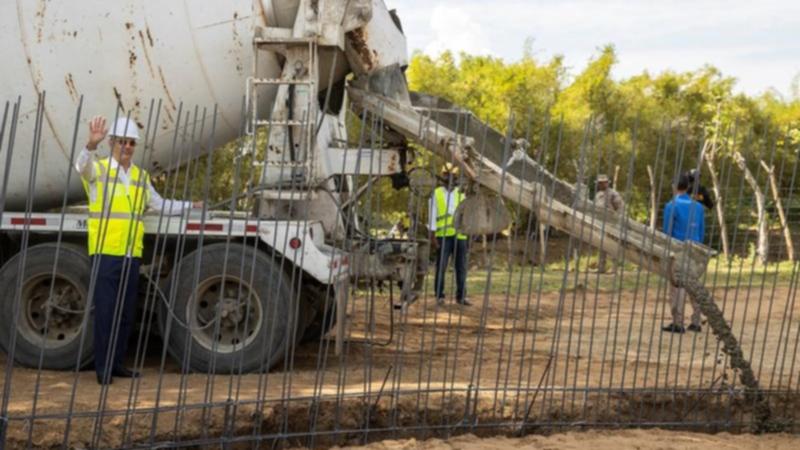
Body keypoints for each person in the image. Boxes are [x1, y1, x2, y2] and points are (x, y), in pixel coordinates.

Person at [75, 116, 203, 385]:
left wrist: (190, 205)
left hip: (131, 255)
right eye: (122, 141)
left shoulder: (140, 176)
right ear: (112, 143)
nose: (127, 147)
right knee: (106, 312)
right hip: (105, 252)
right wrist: (90, 144)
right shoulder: (97, 170)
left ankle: (118, 363)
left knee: (125, 314)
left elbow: (160, 204)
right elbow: (80, 167)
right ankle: (103, 369)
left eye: (131, 142)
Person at [661, 174, 705, 334]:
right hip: (695, 249)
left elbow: (667, 231)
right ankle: (696, 321)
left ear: (674, 186)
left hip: (678, 249)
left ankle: (678, 322)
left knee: (677, 286)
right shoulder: (698, 207)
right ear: (687, 187)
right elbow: (701, 230)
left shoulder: (671, 205)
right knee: (693, 285)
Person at [429, 162, 470, 306]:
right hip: (443, 236)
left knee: (461, 266)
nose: (450, 178)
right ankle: (439, 296)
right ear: (443, 176)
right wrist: (432, 236)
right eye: (447, 175)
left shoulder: (462, 194)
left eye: (453, 176)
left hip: (460, 235)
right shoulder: (437, 193)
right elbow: (432, 214)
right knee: (441, 266)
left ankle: (461, 296)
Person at [593, 174, 624, 273]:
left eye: (603, 182)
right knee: (601, 244)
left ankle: (614, 268)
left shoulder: (613, 194)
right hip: (600, 223)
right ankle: (601, 267)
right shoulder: (598, 195)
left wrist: (616, 221)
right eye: (600, 183)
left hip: (611, 223)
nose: (602, 184)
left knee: (612, 245)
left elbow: (620, 208)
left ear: (607, 183)